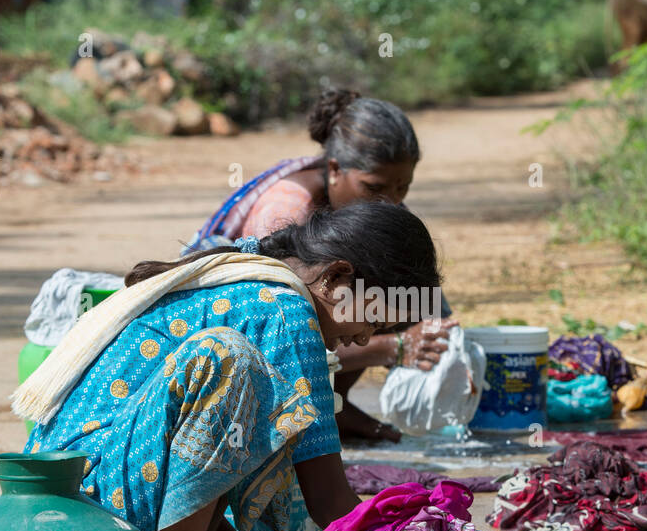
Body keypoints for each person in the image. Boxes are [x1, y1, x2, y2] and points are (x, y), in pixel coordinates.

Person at [12, 204, 442, 531]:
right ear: (336, 278)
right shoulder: (286, 307)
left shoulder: (259, 287)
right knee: (228, 359)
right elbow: (329, 499)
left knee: (276, 428)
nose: (364, 339)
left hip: (73, 510)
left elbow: (199, 463)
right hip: (89, 505)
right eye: (374, 320)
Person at [188, 89, 456, 440]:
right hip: (248, 346)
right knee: (364, 303)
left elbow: (425, 301)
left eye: (402, 188)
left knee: (396, 292)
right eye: (375, 187)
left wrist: (447, 346)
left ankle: (333, 402)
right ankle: (320, 409)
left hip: (309, 323)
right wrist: (398, 346)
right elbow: (272, 335)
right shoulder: (283, 212)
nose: (392, 201)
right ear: (333, 170)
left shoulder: (377, 205)